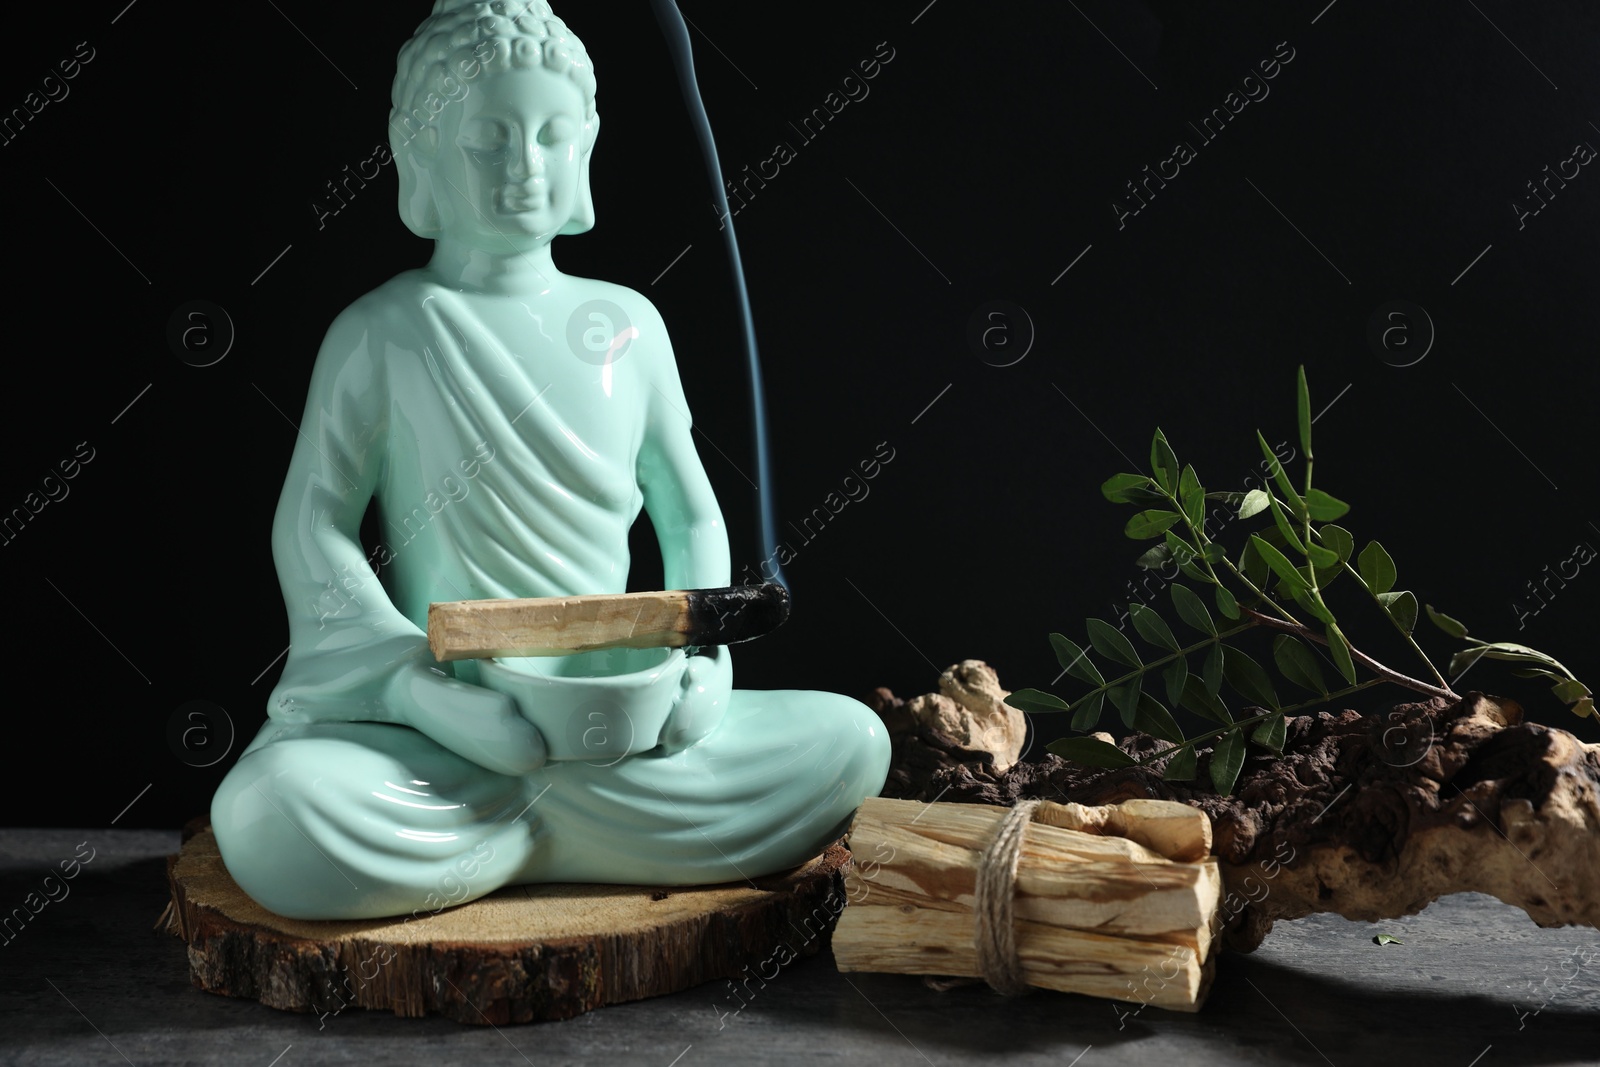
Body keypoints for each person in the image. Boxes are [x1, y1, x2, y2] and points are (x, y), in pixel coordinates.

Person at [210, 0, 889, 921]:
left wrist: (705, 666)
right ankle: (555, 827)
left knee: (850, 740)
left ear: (587, 147)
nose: (524, 168)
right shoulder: (384, 332)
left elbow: (687, 511)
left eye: (550, 137)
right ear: (418, 150)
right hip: (454, 725)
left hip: (621, 720)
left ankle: (520, 832)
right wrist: (414, 688)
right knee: (271, 811)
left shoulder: (626, 326)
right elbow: (314, 524)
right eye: (488, 140)